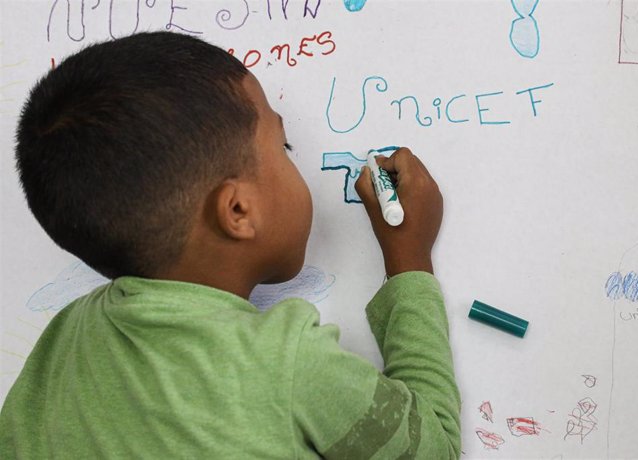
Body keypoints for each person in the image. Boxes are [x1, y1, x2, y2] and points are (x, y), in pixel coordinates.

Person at [0, 31, 460, 458]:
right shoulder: (291, 365)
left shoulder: (64, 342)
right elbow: (433, 447)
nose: (291, 156)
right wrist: (409, 256)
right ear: (238, 212)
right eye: (286, 147)